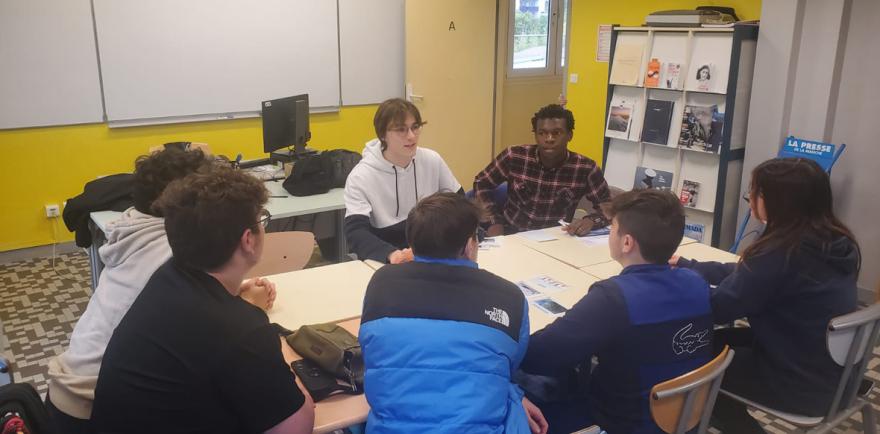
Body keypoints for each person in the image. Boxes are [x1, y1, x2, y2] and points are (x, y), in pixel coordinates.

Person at [45, 147, 276, 434]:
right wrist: (250, 308)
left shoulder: (133, 229)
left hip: (65, 390)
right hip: (93, 407)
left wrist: (236, 291)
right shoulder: (174, 255)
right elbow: (211, 326)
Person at [91, 167, 313, 434]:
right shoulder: (242, 332)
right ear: (248, 240)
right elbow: (297, 427)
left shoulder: (167, 277)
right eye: (261, 220)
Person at [673, 158, 861, 433]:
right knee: (708, 344)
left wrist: (673, 285)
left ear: (779, 202)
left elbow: (719, 308)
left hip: (800, 384)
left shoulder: (780, 253)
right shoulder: (830, 240)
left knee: (689, 359)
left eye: (754, 193)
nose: (750, 202)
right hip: (835, 372)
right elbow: (747, 273)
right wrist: (690, 266)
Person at [520, 189, 712, 434]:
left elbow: (541, 356)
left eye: (612, 227)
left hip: (623, 418)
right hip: (685, 414)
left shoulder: (613, 298)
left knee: (517, 377)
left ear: (627, 242)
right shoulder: (696, 282)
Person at [359, 192, 548, 434]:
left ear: (412, 245)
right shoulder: (509, 297)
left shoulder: (381, 282)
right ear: (470, 245)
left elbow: (374, 353)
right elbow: (507, 368)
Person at [344, 98, 462, 264]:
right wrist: (391, 254)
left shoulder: (431, 160)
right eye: (401, 130)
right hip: (387, 259)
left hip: (434, 254)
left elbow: (460, 205)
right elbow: (355, 232)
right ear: (383, 135)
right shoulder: (361, 176)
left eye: (415, 127)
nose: (411, 136)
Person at [474, 104, 611, 237]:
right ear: (536, 135)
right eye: (542, 133)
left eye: (556, 133)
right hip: (513, 234)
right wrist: (494, 222)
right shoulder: (515, 156)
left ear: (570, 135)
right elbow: (481, 182)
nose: (549, 139)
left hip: (557, 239)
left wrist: (592, 221)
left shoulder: (585, 168)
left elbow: (609, 207)